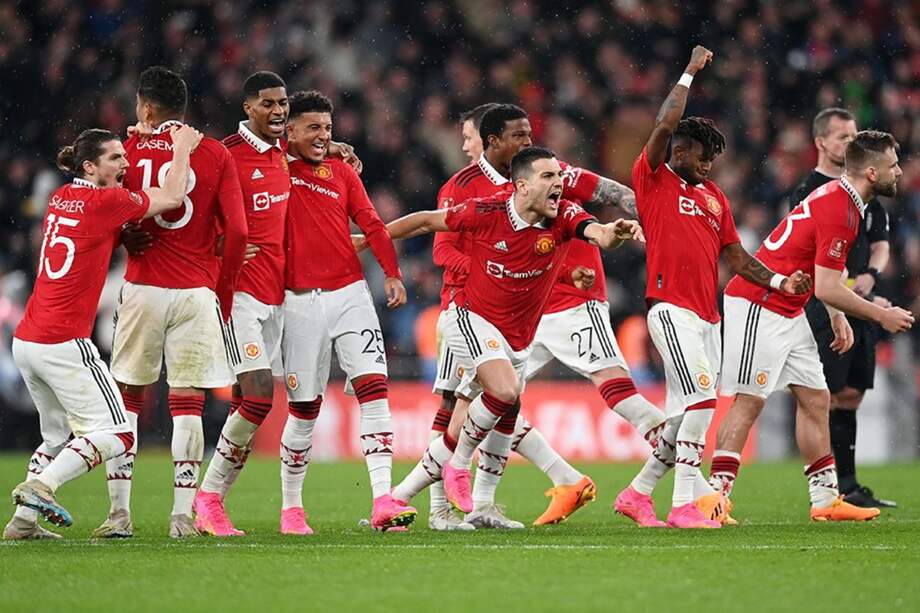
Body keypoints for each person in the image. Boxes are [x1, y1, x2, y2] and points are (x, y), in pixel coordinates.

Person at [407, 103, 660, 530]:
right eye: (519, 135)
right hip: (477, 307)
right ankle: (441, 508)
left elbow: (609, 196)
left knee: (504, 400)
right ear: (492, 141)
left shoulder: (550, 173)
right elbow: (443, 249)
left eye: (527, 135)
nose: (466, 147)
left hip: (551, 304)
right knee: (464, 400)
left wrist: (651, 217)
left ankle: (488, 501)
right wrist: (492, 274)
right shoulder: (461, 186)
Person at [614, 46, 812, 529]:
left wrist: (782, 281)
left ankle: (637, 494)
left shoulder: (716, 198)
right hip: (670, 309)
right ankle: (685, 505)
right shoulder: (654, 179)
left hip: (709, 318)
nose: (708, 167)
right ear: (680, 152)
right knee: (702, 401)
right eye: (702, 159)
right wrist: (688, 72)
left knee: (683, 416)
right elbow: (664, 124)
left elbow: (737, 258)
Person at [4, 125, 201, 539]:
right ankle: (43, 486)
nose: (125, 162)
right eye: (115, 157)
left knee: (55, 437)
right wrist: (182, 147)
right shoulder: (108, 201)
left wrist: (120, 233)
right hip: (62, 341)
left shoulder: (61, 196)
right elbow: (172, 197)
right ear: (90, 167)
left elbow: (91, 234)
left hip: (28, 340)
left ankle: (22, 523)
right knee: (118, 433)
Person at [710, 130, 912, 522]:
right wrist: (880, 315)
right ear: (872, 173)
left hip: (790, 306)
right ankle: (714, 498)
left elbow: (820, 274)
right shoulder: (842, 209)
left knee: (816, 397)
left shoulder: (843, 201)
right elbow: (828, 286)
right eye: (893, 166)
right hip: (759, 303)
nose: (899, 172)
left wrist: (837, 316)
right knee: (750, 401)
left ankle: (824, 500)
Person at [95, 66, 248, 538]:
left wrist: (126, 235)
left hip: (143, 287)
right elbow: (239, 231)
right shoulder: (215, 152)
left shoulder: (126, 149)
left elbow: (102, 210)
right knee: (188, 404)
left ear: (145, 107)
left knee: (128, 402)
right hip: (196, 291)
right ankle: (181, 515)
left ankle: (119, 514)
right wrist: (223, 291)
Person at [278, 90, 415, 533]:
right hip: (298, 301)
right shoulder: (275, 168)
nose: (323, 136)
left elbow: (371, 222)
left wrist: (392, 272)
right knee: (304, 409)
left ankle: (383, 501)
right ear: (290, 130)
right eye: (313, 128)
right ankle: (292, 509)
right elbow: (253, 146)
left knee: (375, 391)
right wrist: (322, 146)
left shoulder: (341, 172)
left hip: (351, 294)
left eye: (328, 128)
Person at [191, 71, 291, 537]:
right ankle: (208, 497)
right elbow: (192, 211)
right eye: (268, 103)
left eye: (283, 103)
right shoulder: (225, 154)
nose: (278, 111)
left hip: (277, 294)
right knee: (259, 394)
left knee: (247, 401)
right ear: (248, 107)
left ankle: (211, 502)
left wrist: (336, 148)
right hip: (238, 294)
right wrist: (212, 245)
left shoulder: (283, 153)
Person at [793, 108, 895, 508]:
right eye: (843, 137)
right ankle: (828, 488)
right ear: (820, 142)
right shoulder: (810, 192)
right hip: (825, 306)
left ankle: (849, 484)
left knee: (851, 393)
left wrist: (871, 274)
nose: (850, 143)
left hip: (859, 304)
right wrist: (857, 292)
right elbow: (810, 261)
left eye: (854, 136)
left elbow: (880, 241)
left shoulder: (866, 192)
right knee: (826, 395)